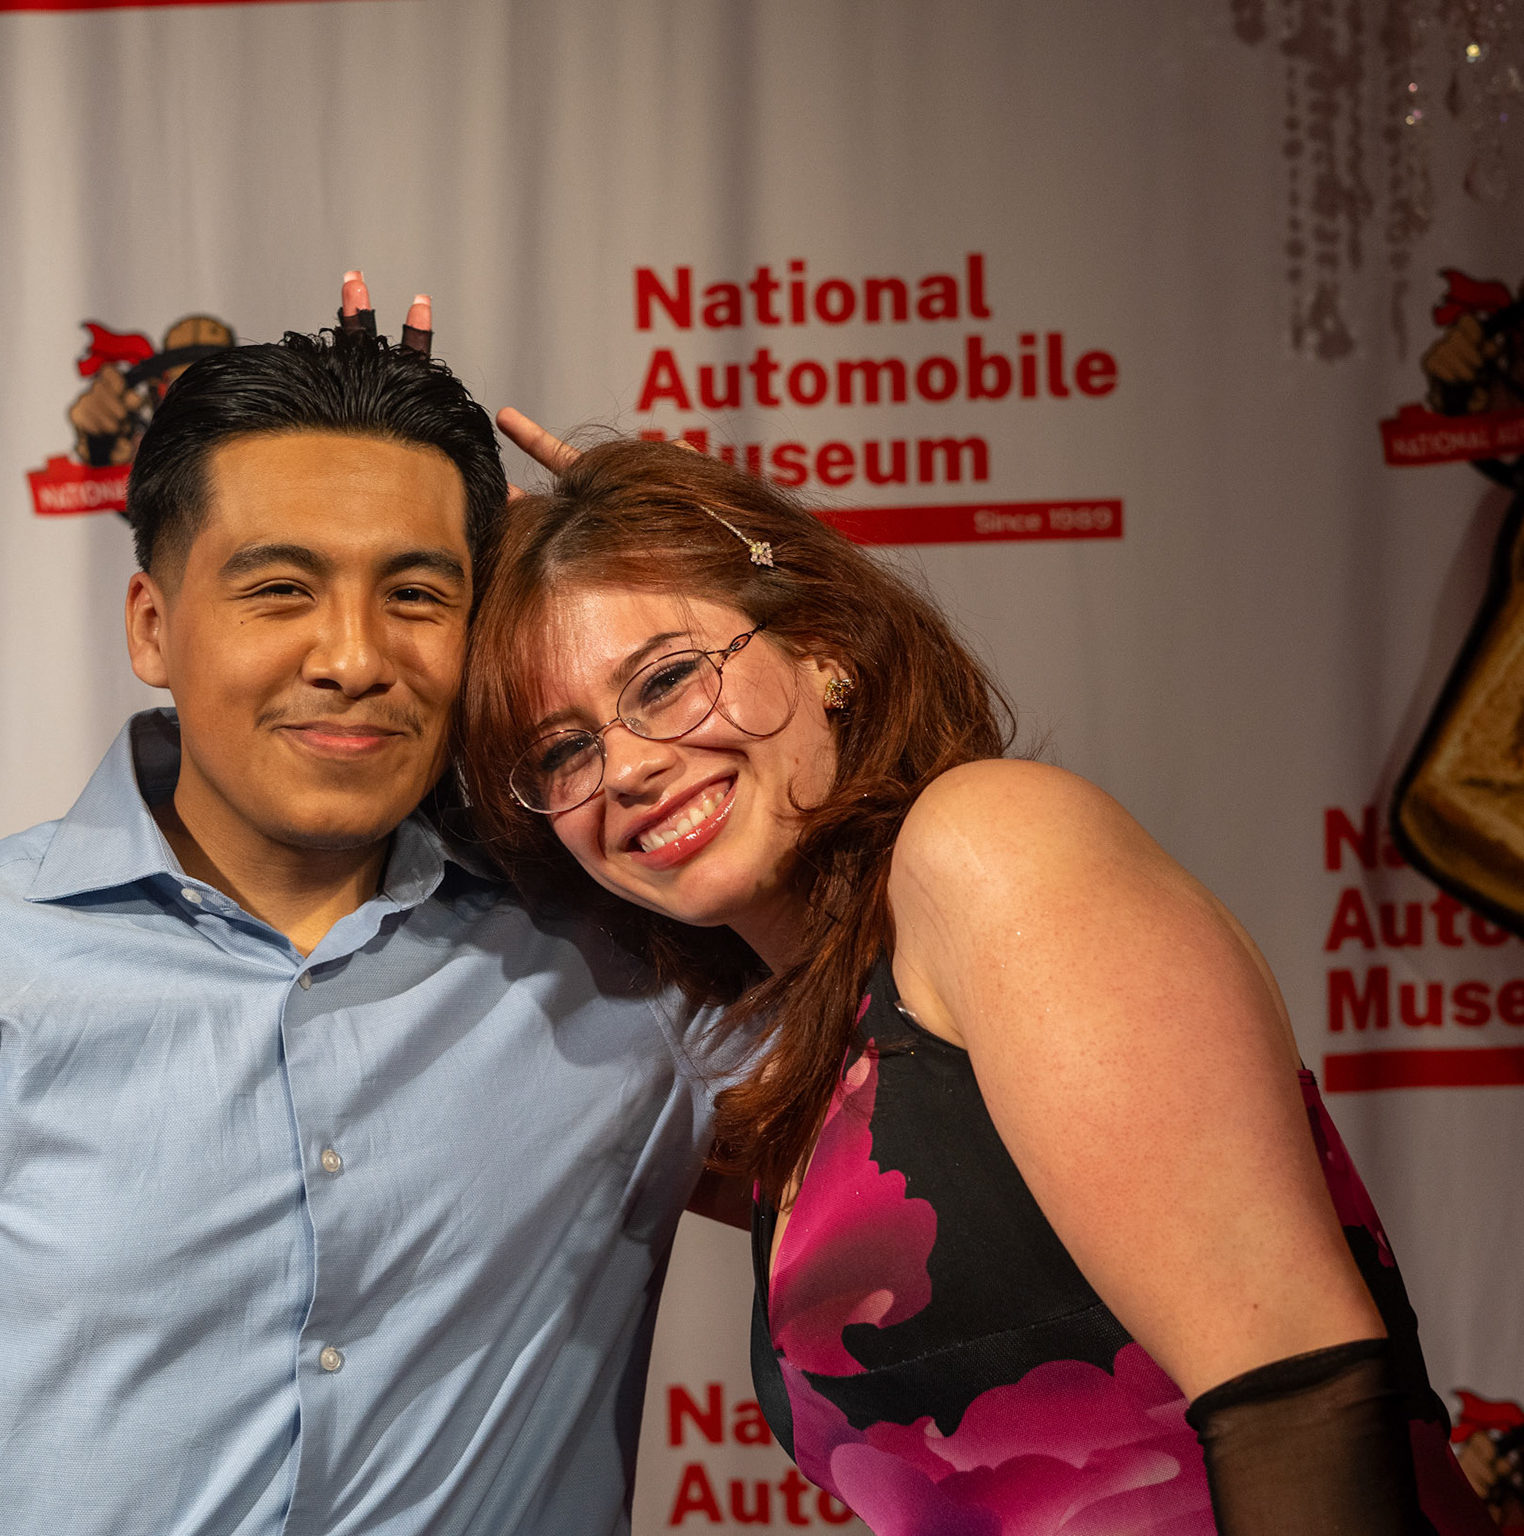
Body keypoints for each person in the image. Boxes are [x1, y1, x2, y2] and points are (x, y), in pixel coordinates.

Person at [0, 303, 718, 1536]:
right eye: (280, 589)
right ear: (151, 626)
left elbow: (874, 925)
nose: (353, 657)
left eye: (416, 594)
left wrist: (665, 538)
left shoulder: (627, 957)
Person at [457, 430, 1499, 1535]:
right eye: (562, 751)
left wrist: (640, 527)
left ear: (822, 646)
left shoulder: (986, 844)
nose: (625, 768)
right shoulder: (819, 1074)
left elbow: (1302, 1399)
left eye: (668, 680)